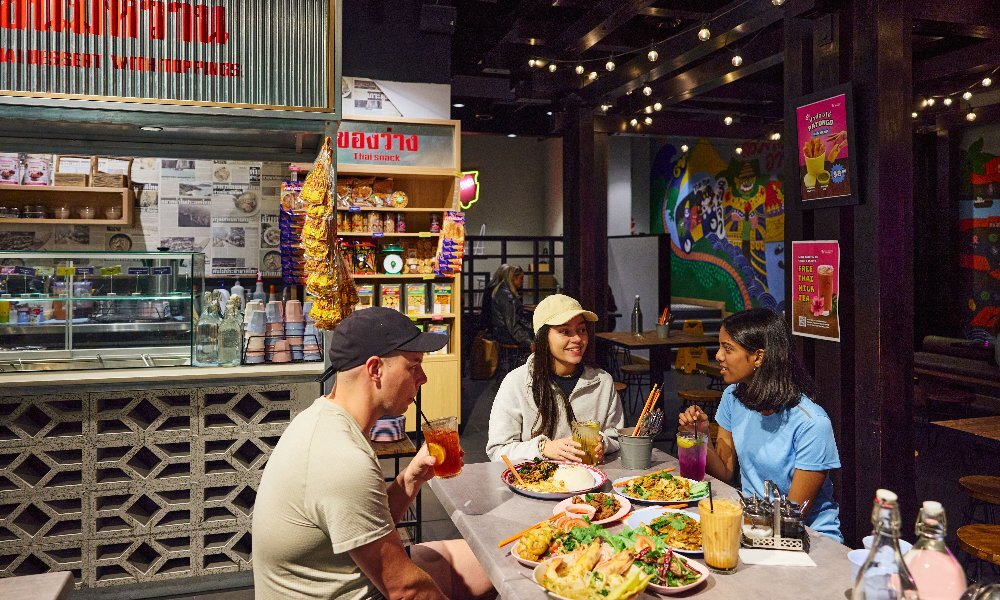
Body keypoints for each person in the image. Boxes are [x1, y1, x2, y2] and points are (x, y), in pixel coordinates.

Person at [253, 307, 494, 600]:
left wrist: (409, 480)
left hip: (346, 573)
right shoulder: (341, 459)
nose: (423, 378)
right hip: (355, 591)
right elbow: (405, 589)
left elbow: (366, 525)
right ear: (375, 369)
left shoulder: (324, 419)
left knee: (493, 557)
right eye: (414, 365)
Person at [678, 308, 843, 542]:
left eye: (728, 348)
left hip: (809, 538)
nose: (718, 356)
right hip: (751, 523)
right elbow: (725, 472)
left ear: (758, 356)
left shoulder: (812, 423)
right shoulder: (733, 397)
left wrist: (726, 526)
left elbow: (791, 517)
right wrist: (700, 437)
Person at [486, 294, 625, 463]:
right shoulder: (516, 383)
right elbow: (498, 450)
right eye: (565, 331)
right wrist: (543, 448)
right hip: (535, 485)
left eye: (581, 330)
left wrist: (603, 443)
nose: (577, 339)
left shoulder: (602, 382)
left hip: (589, 482)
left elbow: (617, 437)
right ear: (543, 337)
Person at [486, 264, 533, 353]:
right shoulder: (507, 296)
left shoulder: (503, 290)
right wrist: (528, 342)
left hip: (502, 333)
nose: (522, 282)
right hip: (506, 335)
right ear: (513, 278)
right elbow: (512, 324)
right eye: (521, 278)